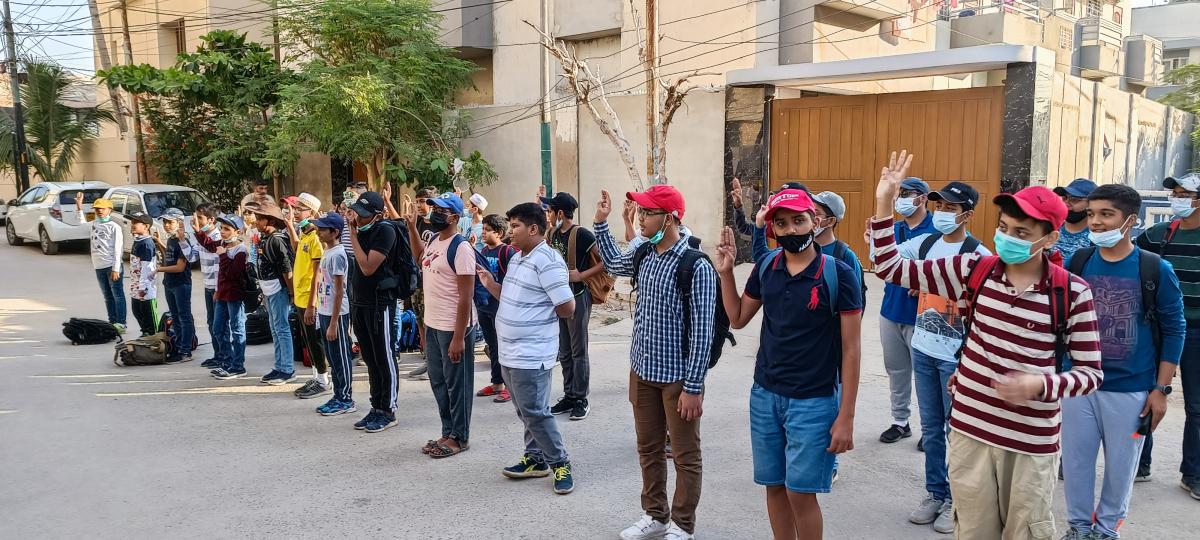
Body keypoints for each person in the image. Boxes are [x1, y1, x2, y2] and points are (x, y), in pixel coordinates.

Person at [869, 150, 1102, 539]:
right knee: (974, 531)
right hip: (970, 433)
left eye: (1022, 233)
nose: (1007, 238)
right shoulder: (973, 270)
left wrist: (1040, 384)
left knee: (1025, 532)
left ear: (1050, 238)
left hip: (1030, 443)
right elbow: (890, 268)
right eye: (1004, 227)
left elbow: (1091, 374)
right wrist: (883, 203)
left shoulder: (1071, 292)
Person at [715, 189, 862, 540]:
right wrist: (726, 273)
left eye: (799, 220)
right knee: (774, 486)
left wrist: (846, 417)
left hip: (814, 401)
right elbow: (738, 318)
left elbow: (852, 349)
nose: (791, 229)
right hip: (765, 395)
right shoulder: (767, 267)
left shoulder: (839, 274)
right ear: (773, 229)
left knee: (801, 492)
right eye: (781, 223)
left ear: (816, 221)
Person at [1060, 184, 1186, 540]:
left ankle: (1106, 530)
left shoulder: (1154, 269)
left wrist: (1160, 390)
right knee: (1076, 464)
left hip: (1131, 391)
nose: (1095, 222)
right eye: (1091, 214)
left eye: (1106, 214)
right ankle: (1078, 528)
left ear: (1130, 220)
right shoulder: (1078, 262)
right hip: (1078, 385)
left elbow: (1174, 330)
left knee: (1121, 468)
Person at [594, 185, 716, 540]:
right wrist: (601, 223)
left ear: (670, 218)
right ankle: (655, 515)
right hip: (643, 370)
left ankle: (683, 523)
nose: (640, 218)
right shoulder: (644, 253)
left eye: (648, 213)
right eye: (641, 211)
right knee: (648, 448)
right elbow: (613, 264)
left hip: (678, 378)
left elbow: (703, 332)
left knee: (685, 454)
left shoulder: (695, 265)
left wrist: (693, 387)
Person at [895, 181, 991, 534]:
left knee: (958, 432)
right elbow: (887, 258)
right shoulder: (926, 243)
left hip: (956, 358)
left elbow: (984, 310)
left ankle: (957, 500)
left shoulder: (978, 255)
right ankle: (936, 492)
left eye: (951, 208)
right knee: (932, 429)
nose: (942, 213)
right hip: (923, 348)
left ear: (967, 214)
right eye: (940, 206)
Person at [479, 202, 578, 494]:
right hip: (510, 353)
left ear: (533, 229)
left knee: (535, 411)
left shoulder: (547, 260)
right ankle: (535, 458)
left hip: (532, 354)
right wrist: (490, 284)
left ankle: (560, 462)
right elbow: (513, 297)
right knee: (526, 410)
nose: (510, 232)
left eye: (515, 226)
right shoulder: (519, 259)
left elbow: (567, 306)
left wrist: (536, 321)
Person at [1135, 171, 1200, 498]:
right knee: (1145, 395)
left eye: (1184, 195)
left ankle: (1193, 474)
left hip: (1197, 332)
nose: (1177, 199)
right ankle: (1139, 463)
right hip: (1158, 329)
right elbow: (1132, 261)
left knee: (1197, 406)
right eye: (1175, 194)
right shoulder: (1157, 235)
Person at [407, 192, 477, 458]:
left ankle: (459, 437)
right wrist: (412, 227)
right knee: (439, 381)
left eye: (441, 210)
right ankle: (447, 431)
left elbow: (465, 296)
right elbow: (419, 258)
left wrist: (459, 337)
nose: (435, 213)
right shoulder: (435, 239)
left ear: (455, 217)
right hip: (434, 324)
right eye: (434, 209)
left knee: (457, 385)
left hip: (453, 327)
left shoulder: (461, 248)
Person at [876, 176, 935, 445]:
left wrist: (925, 285)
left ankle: (931, 429)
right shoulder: (893, 229)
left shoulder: (937, 230)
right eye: (900, 194)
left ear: (923, 198)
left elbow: (949, 271)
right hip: (891, 310)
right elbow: (880, 263)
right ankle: (900, 421)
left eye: (908, 194)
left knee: (925, 375)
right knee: (896, 370)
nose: (901, 199)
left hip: (923, 315)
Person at [543, 191, 606, 421]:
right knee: (565, 350)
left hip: (578, 295)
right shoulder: (552, 233)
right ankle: (569, 395)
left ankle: (581, 398)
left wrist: (581, 275)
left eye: (550, 211)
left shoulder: (582, 234)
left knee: (578, 350)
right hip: (559, 298)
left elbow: (604, 261)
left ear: (560, 213)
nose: (548, 215)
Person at [347, 191, 401, 433]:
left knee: (384, 357)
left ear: (378, 215)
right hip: (361, 303)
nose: (358, 218)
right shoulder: (362, 231)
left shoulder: (385, 231)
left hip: (380, 304)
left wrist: (353, 236)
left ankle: (388, 410)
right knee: (369, 358)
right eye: (357, 213)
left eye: (364, 215)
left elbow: (368, 267)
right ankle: (376, 406)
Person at [287, 193, 331, 400]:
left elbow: (317, 275)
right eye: (295, 208)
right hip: (300, 297)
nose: (296, 212)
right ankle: (316, 376)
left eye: (300, 209)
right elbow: (297, 248)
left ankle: (323, 380)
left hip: (310, 298)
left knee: (315, 340)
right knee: (307, 339)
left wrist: (312, 304)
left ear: (312, 212)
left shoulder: (316, 238)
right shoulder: (305, 233)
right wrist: (290, 226)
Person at [248, 202, 297, 385]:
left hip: (279, 289)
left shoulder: (277, 239)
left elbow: (286, 268)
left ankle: (287, 369)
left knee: (282, 328)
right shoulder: (264, 238)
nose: (256, 222)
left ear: (271, 221)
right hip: (268, 289)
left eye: (260, 219)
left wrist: (291, 292)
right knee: (275, 329)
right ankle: (279, 366)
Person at [312, 212, 356, 416]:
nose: (318, 232)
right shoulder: (327, 251)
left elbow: (339, 290)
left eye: (322, 229)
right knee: (332, 357)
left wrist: (333, 323)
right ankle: (338, 395)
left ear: (335, 232)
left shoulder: (338, 254)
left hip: (336, 314)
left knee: (341, 357)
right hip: (325, 311)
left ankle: (346, 398)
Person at [475, 214, 518, 403]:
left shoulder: (508, 252)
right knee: (492, 345)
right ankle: (497, 383)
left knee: (505, 346)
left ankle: (510, 387)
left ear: (499, 233)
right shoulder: (483, 251)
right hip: (485, 306)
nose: (483, 233)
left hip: (501, 306)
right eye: (483, 229)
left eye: (487, 230)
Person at [202, 215, 250, 380]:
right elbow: (208, 245)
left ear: (237, 232)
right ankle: (226, 360)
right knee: (218, 328)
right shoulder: (223, 245)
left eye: (227, 229)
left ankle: (238, 366)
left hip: (234, 295)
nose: (222, 232)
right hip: (222, 294)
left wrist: (223, 256)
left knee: (237, 329)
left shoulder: (240, 250)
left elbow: (233, 274)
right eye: (221, 228)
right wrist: (200, 230)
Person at [405, 186, 442, 380]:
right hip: (417, 278)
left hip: (433, 279)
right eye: (417, 201)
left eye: (422, 201)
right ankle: (428, 359)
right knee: (420, 320)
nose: (419, 205)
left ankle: (435, 364)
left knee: (432, 322)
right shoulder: (416, 222)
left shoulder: (438, 225)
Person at [75, 193, 125, 332]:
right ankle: (112, 321)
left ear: (110, 210)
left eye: (103, 208)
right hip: (99, 266)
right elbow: (81, 225)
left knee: (117, 295)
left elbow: (118, 249)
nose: (100, 211)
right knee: (107, 296)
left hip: (112, 266)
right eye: (97, 209)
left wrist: (116, 268)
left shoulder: (114, 227)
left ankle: (121, 323)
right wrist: (79, 206)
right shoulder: (94, 224)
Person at [156, 208, 198, 364]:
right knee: (175, 317)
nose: (166, 225)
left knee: (184, 317)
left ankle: (185, 350)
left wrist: (158, 269)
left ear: (179, 223)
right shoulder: (171, 239)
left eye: (170, 222)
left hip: (181, 283)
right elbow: (169, 256)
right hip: (169, 282)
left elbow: (180, 267)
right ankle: (179, 347)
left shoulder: (183, 241)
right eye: (165, 222)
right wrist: (160, 243)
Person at [193, 203, 226, 369]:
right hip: (208, 286)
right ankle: (217, 354)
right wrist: (182, 240)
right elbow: (191, 257)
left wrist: (218, 289)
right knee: (211, 321)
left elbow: (219, 266)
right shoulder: (202, 237)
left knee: (219, 324)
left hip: (216, 288)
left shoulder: (216, 237)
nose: (196, 221)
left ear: (211, 220)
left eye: (200, 218)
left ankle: (224, 356)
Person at [127, 211, 158, 336]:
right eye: (132, 222)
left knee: (147, 313)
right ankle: (144, 332)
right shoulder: (138, 240)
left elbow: (147, 267)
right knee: (137, 310)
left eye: (136, 222)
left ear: (146, 226)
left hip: (145, 287)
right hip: (136, 284)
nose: (133, 225)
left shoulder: (146, 244)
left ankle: (152, 335)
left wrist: (143, 287)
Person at [1054, 178, 1097, 262]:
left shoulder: (1097, 238)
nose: (1066, 203)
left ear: (1091, 204)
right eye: (1064, 198)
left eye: (1074, 199)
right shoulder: (1051, 229)